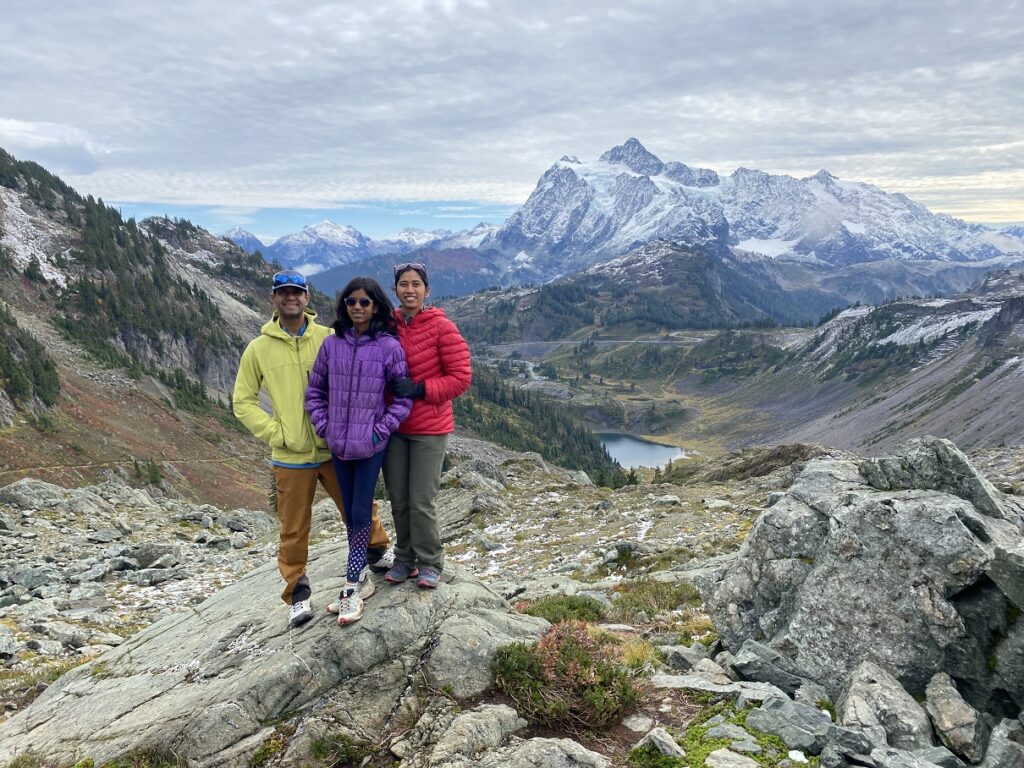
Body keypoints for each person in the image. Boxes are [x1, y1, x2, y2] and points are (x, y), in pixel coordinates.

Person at [233, 269, 395, 629]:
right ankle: (298, 594)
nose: (290, 298)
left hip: (335, 447)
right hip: (291, 456)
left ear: (307, 298)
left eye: (297, 292)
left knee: (358, 507)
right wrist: (277, 433)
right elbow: (242, 401)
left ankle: (377, 549)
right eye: (283, 293)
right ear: (274, 299)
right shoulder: (258, 349)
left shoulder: (329, 337)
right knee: (293, 528)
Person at [305, 278, 412, 625]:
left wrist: (378, 431)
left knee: (361, 511)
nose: (357, 307)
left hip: (369, 447)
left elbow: (403, 398)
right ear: (344, 306)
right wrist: (324, 426)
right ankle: (361, 574)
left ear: (376, 306)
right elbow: (315, 392)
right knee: (351, 514)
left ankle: (352, 584)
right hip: (338, 444)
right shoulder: (331, 344)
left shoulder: (388, 347)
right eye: (351, 301)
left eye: (365, 302)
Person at [385, 262, 472, 589]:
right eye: (403, 284)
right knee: (399, 498)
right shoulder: (387, 325)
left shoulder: (442, 327)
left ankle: (430, 562)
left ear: (427, 290)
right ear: (396, 290)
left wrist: (421, 389)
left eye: (416, 284)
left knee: (421, 499)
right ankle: (404, 558)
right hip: (394, 426)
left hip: (429, 429)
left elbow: (461, 378)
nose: (410, 289)